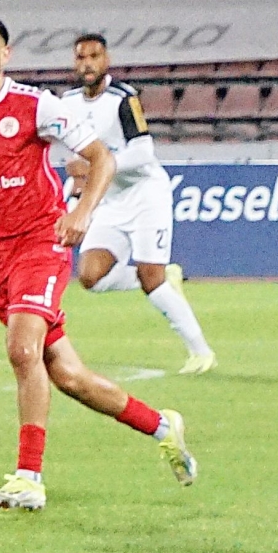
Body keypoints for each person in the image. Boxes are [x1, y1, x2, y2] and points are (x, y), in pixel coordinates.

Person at [0, 12, 197, 512]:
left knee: (22, 349)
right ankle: (161, 426)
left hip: (40, 244)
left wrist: (82, 212)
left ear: (5, 52)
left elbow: (103, 158)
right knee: (67, 376)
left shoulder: (37, 105)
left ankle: (28, 478)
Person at [59, 33, 215, 374]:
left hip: (146, 195)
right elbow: (77, 160)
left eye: (94, 56)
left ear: (106, 60)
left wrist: (99, 167)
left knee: (152, 281)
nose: (87, 64)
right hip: (109, 199)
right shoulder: (67, 103)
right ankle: (160, 275)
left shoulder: (123, 99)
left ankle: (200, 352)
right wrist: (74, 193)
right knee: (91, 276)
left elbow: (143, 152)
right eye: (81, 57)